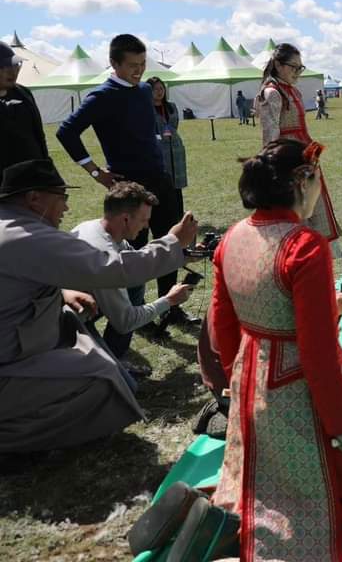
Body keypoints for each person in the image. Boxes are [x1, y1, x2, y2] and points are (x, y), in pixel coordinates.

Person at [200, 138, 342, 561]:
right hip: (295, 385)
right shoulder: (303, 245)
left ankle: (231, 518)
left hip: (251, 373)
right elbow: (318, 351)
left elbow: (223, 322)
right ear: (302, 181)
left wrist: (235, 376)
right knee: (332, 482)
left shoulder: (233, 237)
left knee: (259, 467)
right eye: (319, 181)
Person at [0, 159, 196, 457]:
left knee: (97, 356)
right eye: (61, 197)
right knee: (104, 381)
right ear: (34, 198)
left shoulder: (11, 226)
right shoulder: (27, 235)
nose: (66, 207)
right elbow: (112, 268)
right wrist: (172, 243)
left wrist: (63, 292)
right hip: (11, 362)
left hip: (25, 340)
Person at [56, 34, 192, 328]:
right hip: (128, 186)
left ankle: (170, 309)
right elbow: (66, 132)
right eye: (132, 65)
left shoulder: (144, 91)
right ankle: (136, 314)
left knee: (170, 243)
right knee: (132, 253)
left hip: (160, 179)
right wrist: (96, 172)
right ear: (114, 63)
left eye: (142, 64)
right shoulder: (101, 96)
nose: (139, 70)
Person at [71, 182, 192, 361]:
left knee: (135, 284)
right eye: (143, 220)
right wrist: (169, 300)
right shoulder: (105, 254)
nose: (146, 226)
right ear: (126, 219)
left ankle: (114, 355)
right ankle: (115, 359)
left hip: (86, 303)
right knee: (114, 374)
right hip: (69, 323)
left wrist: (185, 256)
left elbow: (135, 264)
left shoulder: (95, 227)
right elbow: (126, 322)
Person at [255, 42, 341, 243]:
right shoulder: (272, 93)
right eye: (293, 67)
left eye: (300, 67)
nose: (297, 72)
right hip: (287, 159)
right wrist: (272, 168)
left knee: (312, 206)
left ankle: (314, 251)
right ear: (278, 65)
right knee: (295, 208)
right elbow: (270, 134)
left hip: (303, 155)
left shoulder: (292, 90)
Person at [0, 41, 49, 178]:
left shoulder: (24, 93)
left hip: (32, 175)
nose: (13, 71)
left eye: (16, 65)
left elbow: (39, 136)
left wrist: (46, 166)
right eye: (4, 67)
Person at [150, 77, 188, 237]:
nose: (159, 92)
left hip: (175, 148)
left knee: (176, 186)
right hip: (159, 149)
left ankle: (178, 218)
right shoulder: (147, 109)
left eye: (161, 88)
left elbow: (174, 125)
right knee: (164, 185)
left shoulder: (171, 106)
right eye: (155, 89)